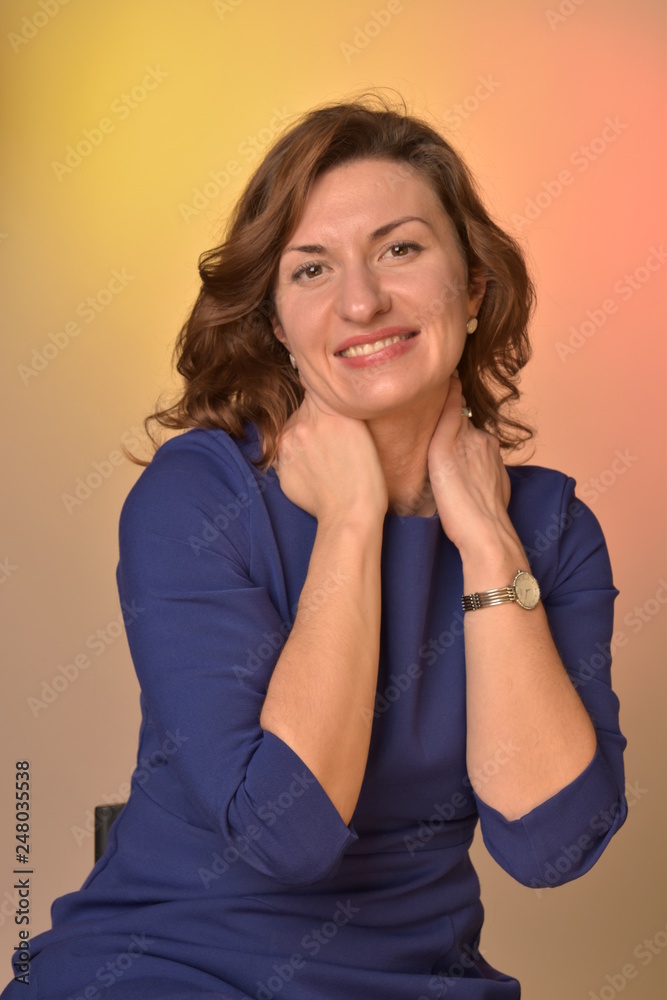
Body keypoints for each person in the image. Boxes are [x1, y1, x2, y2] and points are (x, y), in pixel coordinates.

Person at [2, 95, 627, 999]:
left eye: (400, 250)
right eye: (311, 270)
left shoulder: (550, 530)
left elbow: (550, 846)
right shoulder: (197, 498)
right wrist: (349, 523)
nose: (361, 301)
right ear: (275, 324)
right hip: (168, 972)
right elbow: (283, 837)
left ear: (472, 288)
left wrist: (488, 544)